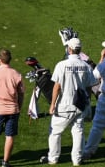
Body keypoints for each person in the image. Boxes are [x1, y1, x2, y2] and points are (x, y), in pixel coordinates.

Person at [41, 37, 95, 166]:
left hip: (64, 105)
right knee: (78, 131)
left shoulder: (62, 65)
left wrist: (52, 105)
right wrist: (87, 103)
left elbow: (57, 86)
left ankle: (53, 158)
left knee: (55, 132)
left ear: (69, 49)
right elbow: (90, 86)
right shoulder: (86, 66)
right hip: (80, 105)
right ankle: (77, 159)